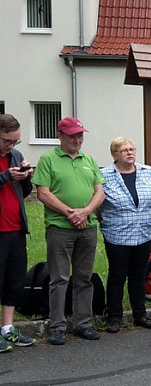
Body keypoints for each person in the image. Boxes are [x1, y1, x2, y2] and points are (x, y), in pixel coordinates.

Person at [32, 117, 105, 345]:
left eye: (80, 135)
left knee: (84, 278)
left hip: (88, 227)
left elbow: (100, 191)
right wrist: (70, 213)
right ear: (60, 136)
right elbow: (43, 193)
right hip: (60, 228)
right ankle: (57, 326)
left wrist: (85, 212)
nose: (77, 139)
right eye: (73, 135)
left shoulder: (89, 159)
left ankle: (83, 323)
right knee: (59, 278)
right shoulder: (48, 159)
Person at [99, 137, 151, 333]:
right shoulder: (104, 174)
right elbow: (98, 205)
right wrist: (107, 222)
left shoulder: (146, 171)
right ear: (115, 154)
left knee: (139, 275)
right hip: (117, 234)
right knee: (117, 275)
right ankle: (114, 317)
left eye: (132, 149)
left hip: (143, 232)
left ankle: (140, 314)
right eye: (124, 150)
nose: (130, 152)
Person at [0, 114, 34, 351]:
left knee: (14, 280)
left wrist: (25, 177)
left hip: (15, 228)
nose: (10, 146)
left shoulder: (16, 156)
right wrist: (5, 176)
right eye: (6, 141)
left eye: (15, 142)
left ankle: (8, 328)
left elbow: (25, 192)